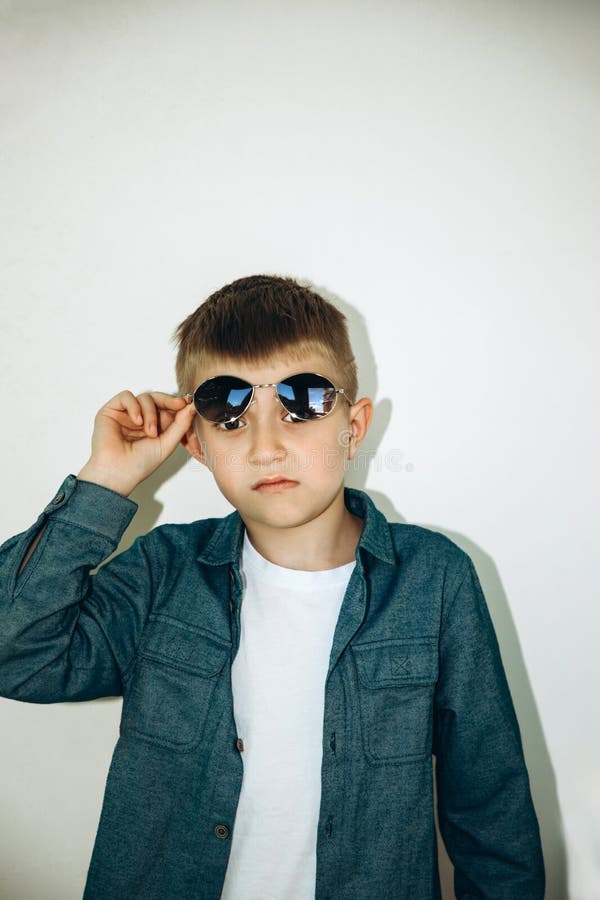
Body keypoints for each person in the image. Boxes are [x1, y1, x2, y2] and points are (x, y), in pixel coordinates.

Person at [0, 274, 544, 899]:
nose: (267, 446)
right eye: (230, 416)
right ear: (195, 444)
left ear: (354, 424)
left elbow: (490, 809)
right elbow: (15, 653)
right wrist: (102, 485)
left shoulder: (435, 579)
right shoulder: (162, 573)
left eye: (303, 402)